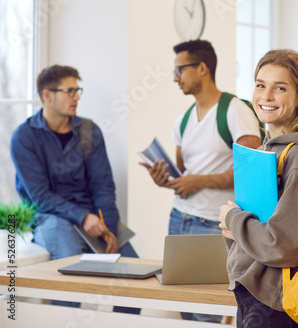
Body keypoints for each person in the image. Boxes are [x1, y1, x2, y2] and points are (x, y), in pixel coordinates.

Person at [140, 39, 261, 323]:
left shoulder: (235, 111)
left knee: (209, 310)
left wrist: (198, 181)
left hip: (213, 224)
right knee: (185, 308)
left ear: (203, 68)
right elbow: (184, 174)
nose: (175, 77)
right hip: (179, 218)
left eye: (180, 69)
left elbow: (250, 172)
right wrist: (165, 180)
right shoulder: (182, 120)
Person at [219, 49, 298, 327]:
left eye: (279, 88)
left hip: (276, 302)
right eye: (260, 85)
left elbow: (285, 244)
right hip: (255, 290)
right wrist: (233, 225)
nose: (266, 96)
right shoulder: (265, 151)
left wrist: (234, 220)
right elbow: (263, 224)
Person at [10, 64, 138, 313]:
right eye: (70, 91)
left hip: (91, 215)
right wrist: (82, 217)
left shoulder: (90, 131)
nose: (77, 96)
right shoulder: (24, 137)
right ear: (47, 95)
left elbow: (103, 186)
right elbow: (39, 197)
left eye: (78, 90)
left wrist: (108, 227)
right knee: (70, 264)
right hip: (50, 217)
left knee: (135, 270)